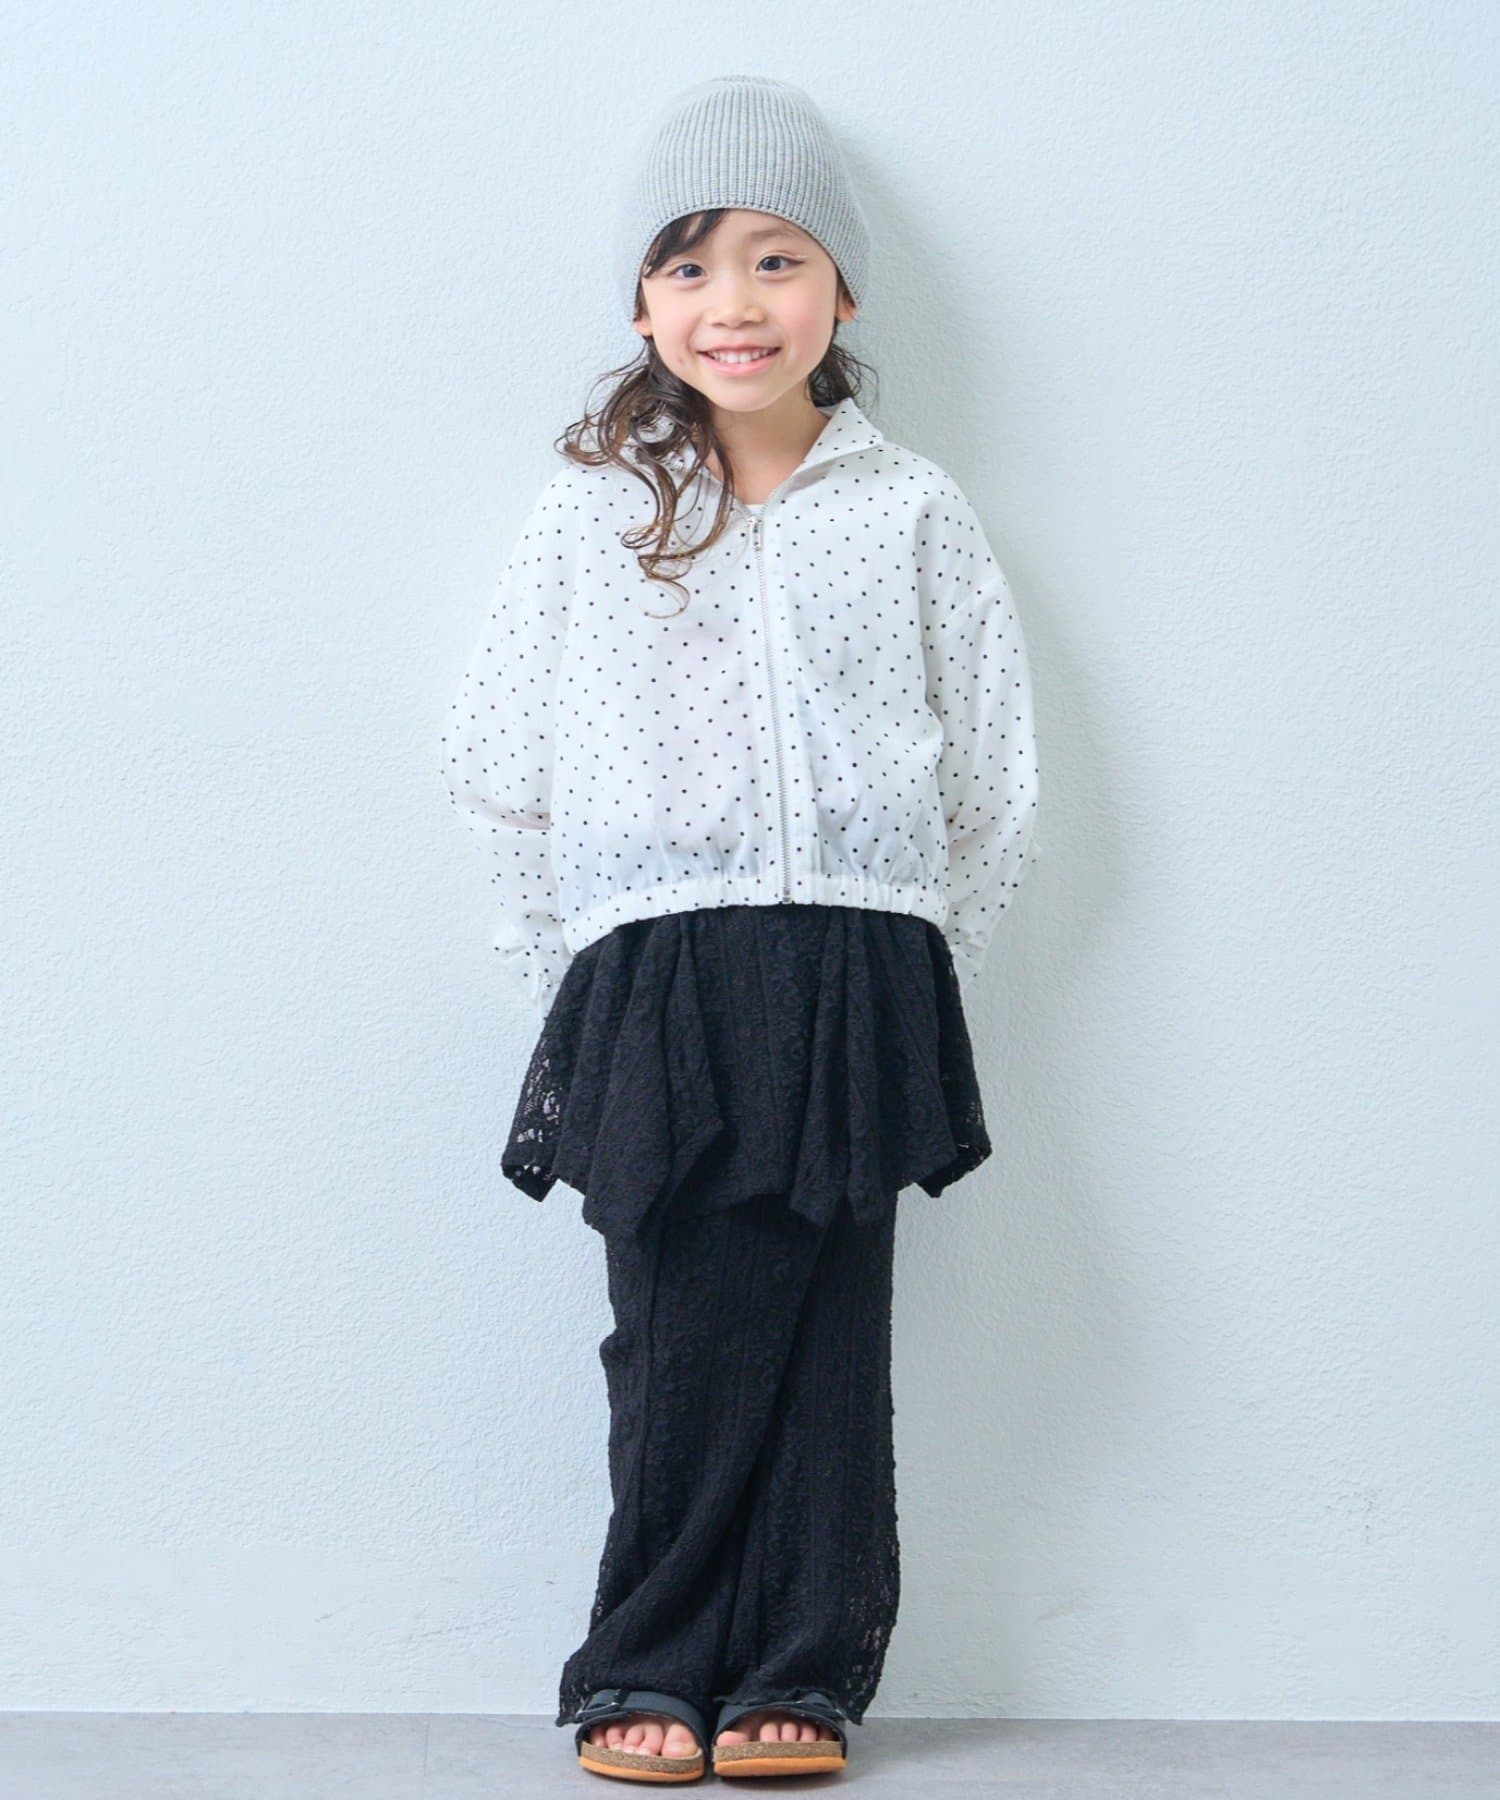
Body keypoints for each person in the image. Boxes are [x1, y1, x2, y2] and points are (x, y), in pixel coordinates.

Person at [440, 74, 1040, 1784]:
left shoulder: (910, 508)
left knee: (835, 1325)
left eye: (778, 261)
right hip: (653, 961)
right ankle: (645, 1658)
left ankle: (803, 1666)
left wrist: (915, 961)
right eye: (691, 265)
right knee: (676, 1320)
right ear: (643, 307)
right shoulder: (591, 513)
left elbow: (992, 766)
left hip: (861, 957)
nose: (736, 303)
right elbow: (497, 763)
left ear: (841, 291)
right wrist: (570, 973)